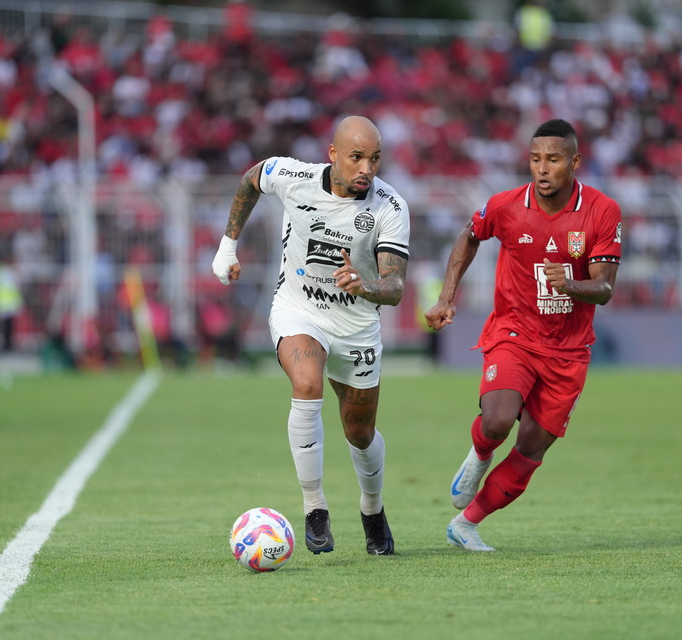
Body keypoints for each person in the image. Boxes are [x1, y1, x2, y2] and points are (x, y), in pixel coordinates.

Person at [211, 115, 410, 556]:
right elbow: (251, 179)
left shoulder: (389, 208)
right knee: (306, 382)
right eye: (357, 157)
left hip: (357, 325)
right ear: (333, 154)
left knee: (360, 433)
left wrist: (367, 284)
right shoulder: (293, 176)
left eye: (375, 159)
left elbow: (394, 286)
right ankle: (314, 507)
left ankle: (372, 509)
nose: (367, 169)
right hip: (299, 309)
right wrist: (228, 245)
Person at [424, 119, 621, 551]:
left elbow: (604, 288)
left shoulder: (602, 211)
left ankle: (467, 523)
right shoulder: (507, 206)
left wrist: (569, 283)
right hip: (514, 331)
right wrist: (446, 297)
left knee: (531, 448)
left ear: (575, 161)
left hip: (569, 351)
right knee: (496, 421)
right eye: (535, 159)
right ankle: (478, 456)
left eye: (553, 159)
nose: (542, 169)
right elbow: (469, 235)